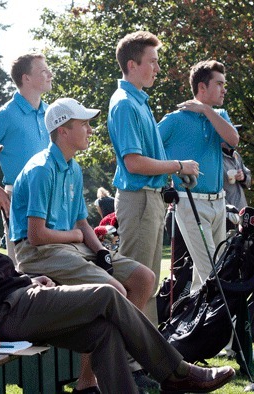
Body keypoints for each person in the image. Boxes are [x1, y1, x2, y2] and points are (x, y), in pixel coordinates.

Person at [0, 128, 235, 394]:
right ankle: (176, 372)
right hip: (3, 315)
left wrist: (27, 280)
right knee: (107, 293)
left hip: (19, 298)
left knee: (104, 332)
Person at [10, 98, 156, 391]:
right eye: (84, 124)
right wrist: (77, 238)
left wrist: (100, 251)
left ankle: (113, 369)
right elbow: (36, 235)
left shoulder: (72, 167)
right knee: (113, 291)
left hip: (69, 248)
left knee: (143, 278)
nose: (90, 130)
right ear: (63, 130)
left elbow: (81, 223)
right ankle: (92, 380)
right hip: (39, 254)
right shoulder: (41, 169)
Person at [107, 31, 199, 326]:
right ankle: (133, 363)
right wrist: (178, 166)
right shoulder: (124, 104)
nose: (158, 68)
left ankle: (145, 357)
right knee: (139, 283)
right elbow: (133, 163)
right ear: (132, 65)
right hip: (139, 200)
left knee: (148, 281)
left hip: (149, 200)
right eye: (153, 61)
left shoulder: (137, 102)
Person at [158, 60, 239, 293]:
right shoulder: (174, 119)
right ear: (202, 88)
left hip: (219, 202)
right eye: (219, 84)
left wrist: (206, 110)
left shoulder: (219, 114)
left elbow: (233, 140)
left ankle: (192, 322)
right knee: (214, 271)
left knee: (204, 276)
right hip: (190, 202)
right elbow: (149, 149)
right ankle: (226, 328)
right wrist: (173, 169)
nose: (224, 89)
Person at [0, 53, 52, 264]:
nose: (50, 75)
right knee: (25, 267)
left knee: (56, 267)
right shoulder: (5, 115)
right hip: (19, 200)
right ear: (26, 78)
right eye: (43, 71)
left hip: (50, 198)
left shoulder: (50, 113)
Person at [222, 142, 251, 210]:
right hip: (226, 211)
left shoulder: (236, 155)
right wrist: (229, 209)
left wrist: (243, 177)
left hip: (242, 208)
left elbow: (249, 182)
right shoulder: (215, 158)